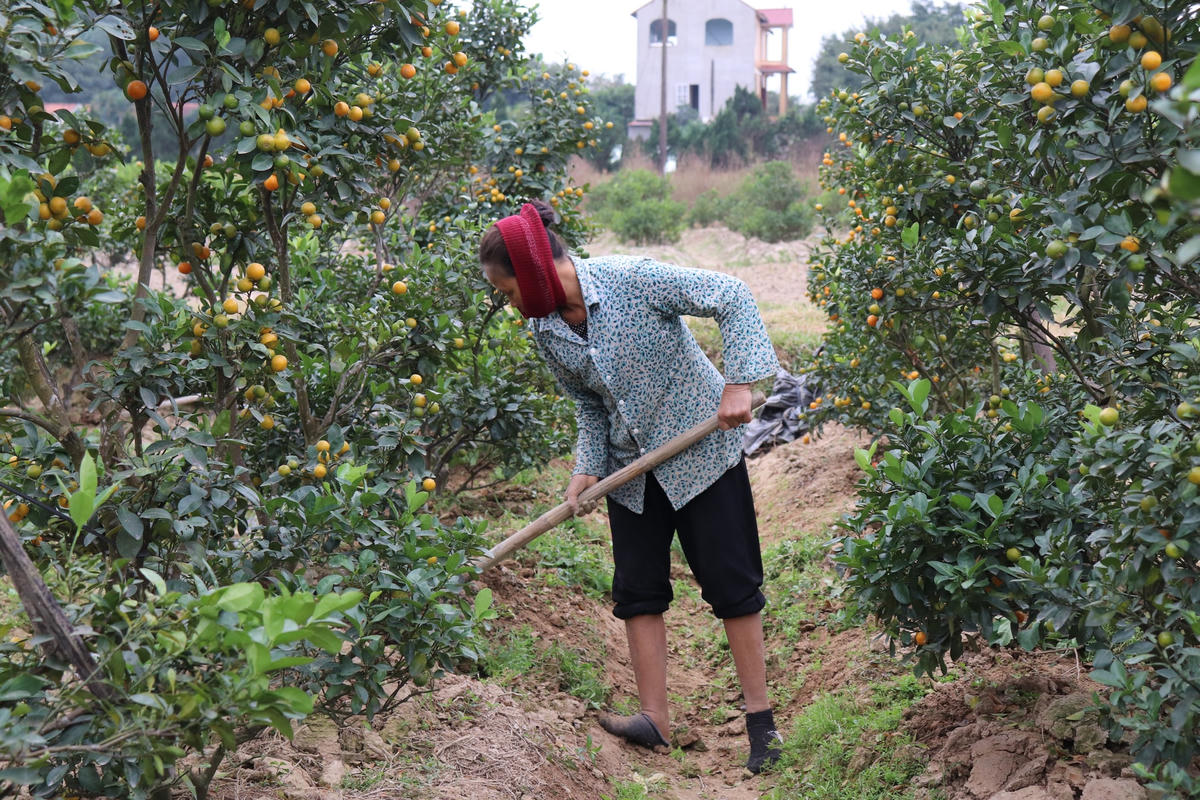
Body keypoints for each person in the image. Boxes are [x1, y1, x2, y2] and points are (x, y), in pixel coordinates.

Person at [478, 201, 783, 774]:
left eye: (508, 291)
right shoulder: (546, 329)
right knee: (638, 591)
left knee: (732, 583)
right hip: (632, 473)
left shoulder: (632, 279)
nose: (510, 305)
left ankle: (761, 723)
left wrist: (739, 384)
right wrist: (587, 467)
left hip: (702, 455)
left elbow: (732, 294)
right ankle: (654, 720)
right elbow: (588, 404)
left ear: (533, 273)